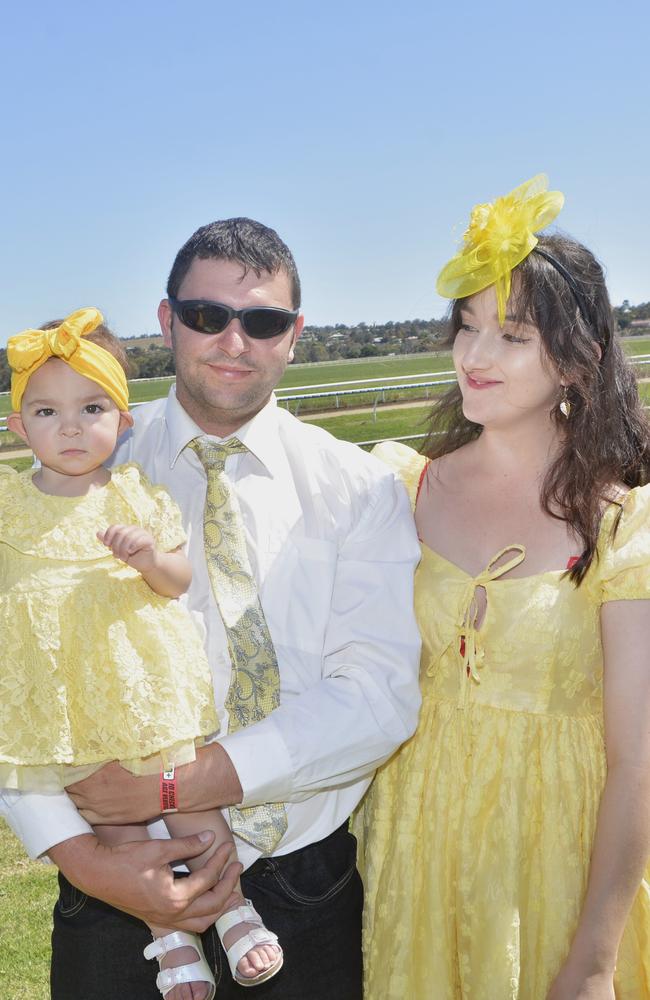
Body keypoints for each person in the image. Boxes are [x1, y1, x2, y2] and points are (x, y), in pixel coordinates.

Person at [0, 217, 422, 1000]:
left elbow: (379, 697)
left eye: (261, 321)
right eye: (207, 316)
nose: (234, 341)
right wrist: (82, 857)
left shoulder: (357, 487)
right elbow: (15, 669)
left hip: (299, 879)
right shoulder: (76, 465)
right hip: (112, 873)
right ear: (168, 322)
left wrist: (179, 787)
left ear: (293, 335)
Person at [355, 175, 650, 999]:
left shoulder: (625, 526)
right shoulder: (399, 490)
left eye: (511, 336)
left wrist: (594, 960)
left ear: (576, 359)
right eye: (466, 327)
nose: (473, 357)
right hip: (412, 848)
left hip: (557, 858)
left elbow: (636, 761)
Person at [1, 307, 284, 999]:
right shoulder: (7, 506)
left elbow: (180, 580)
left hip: (140, 686)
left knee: (189, 806)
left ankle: (233, 908)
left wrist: (150, 556)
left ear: (123, 421)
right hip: (66, 700)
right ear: (17, 425)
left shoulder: (134, 494)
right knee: (115, 824)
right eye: (46, 410)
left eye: (91, 407)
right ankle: (169, 938)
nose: (70, 427)